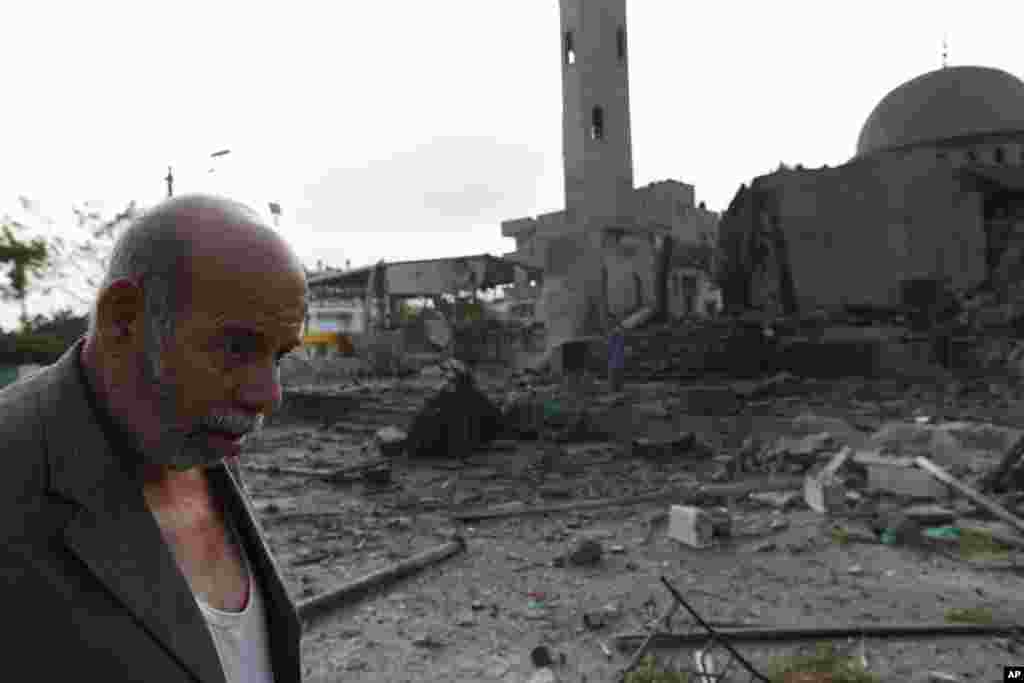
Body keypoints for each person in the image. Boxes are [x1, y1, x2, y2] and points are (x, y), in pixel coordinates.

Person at [0, 194, 308, 682]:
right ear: (122, 317)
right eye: (235, 347)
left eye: (279, 356)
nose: (269, 395)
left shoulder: (195, 439)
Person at [608, 320, 626, 393]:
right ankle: (615, 393)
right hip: (615, 364)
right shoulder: (614, 336)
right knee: (615, 384)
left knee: (617, 384)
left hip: (617, 364)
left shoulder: (618, 336)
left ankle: (617, 393)